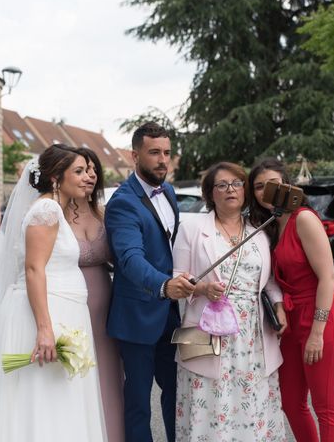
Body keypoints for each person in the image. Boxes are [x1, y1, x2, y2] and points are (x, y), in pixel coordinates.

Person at [0, 146, 106, 442]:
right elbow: (34, 269)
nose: (86, 177)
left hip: (65, 311)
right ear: (55, 178)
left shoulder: (54, 209)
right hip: (49, 314)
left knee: (57, 399)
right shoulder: (46, 210)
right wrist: (45, 330)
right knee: (45, 400)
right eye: (77, 171)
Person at [173, 162, 287, 441]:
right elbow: (176, 280)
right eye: (221, 185)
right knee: (209, 402)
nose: (230, 190)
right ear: (210, 193)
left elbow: (269, 280)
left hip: (253, 336)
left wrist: (279, 307)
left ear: (245, 191)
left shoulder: (259, 231)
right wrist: (201, 288)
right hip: (206, 328)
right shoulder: (191, 228)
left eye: (236, 184)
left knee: (252, 404)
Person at [248, 158, 334, 442]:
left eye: (274, 184)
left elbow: (328, 278)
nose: (266, 191)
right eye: (259, 186)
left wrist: (317, 332)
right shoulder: (270, 225)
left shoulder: (303, 218)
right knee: (291, 402)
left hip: (322, 318)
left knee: (326, 408)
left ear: (288, 185)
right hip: (292, 322)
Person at [105, 122, 195, 442]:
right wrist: (163, 285)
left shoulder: (169, 191)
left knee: (178, 394)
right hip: (137, 316)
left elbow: (172, 248)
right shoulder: (122, 202)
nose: (162, 160)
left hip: (174, 315)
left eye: (167, 153)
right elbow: (130, 259)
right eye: (154, 152)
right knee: (138, 402)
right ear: (135, 155)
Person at [71, 146, 124, 442]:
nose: (89, 175)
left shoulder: (103, 213)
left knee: (107, 375)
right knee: (77, 374)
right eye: (82, 170)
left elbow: (120, 258)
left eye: (93, 169)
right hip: (69, 303)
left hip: (106, 304)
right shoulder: (54, 214)